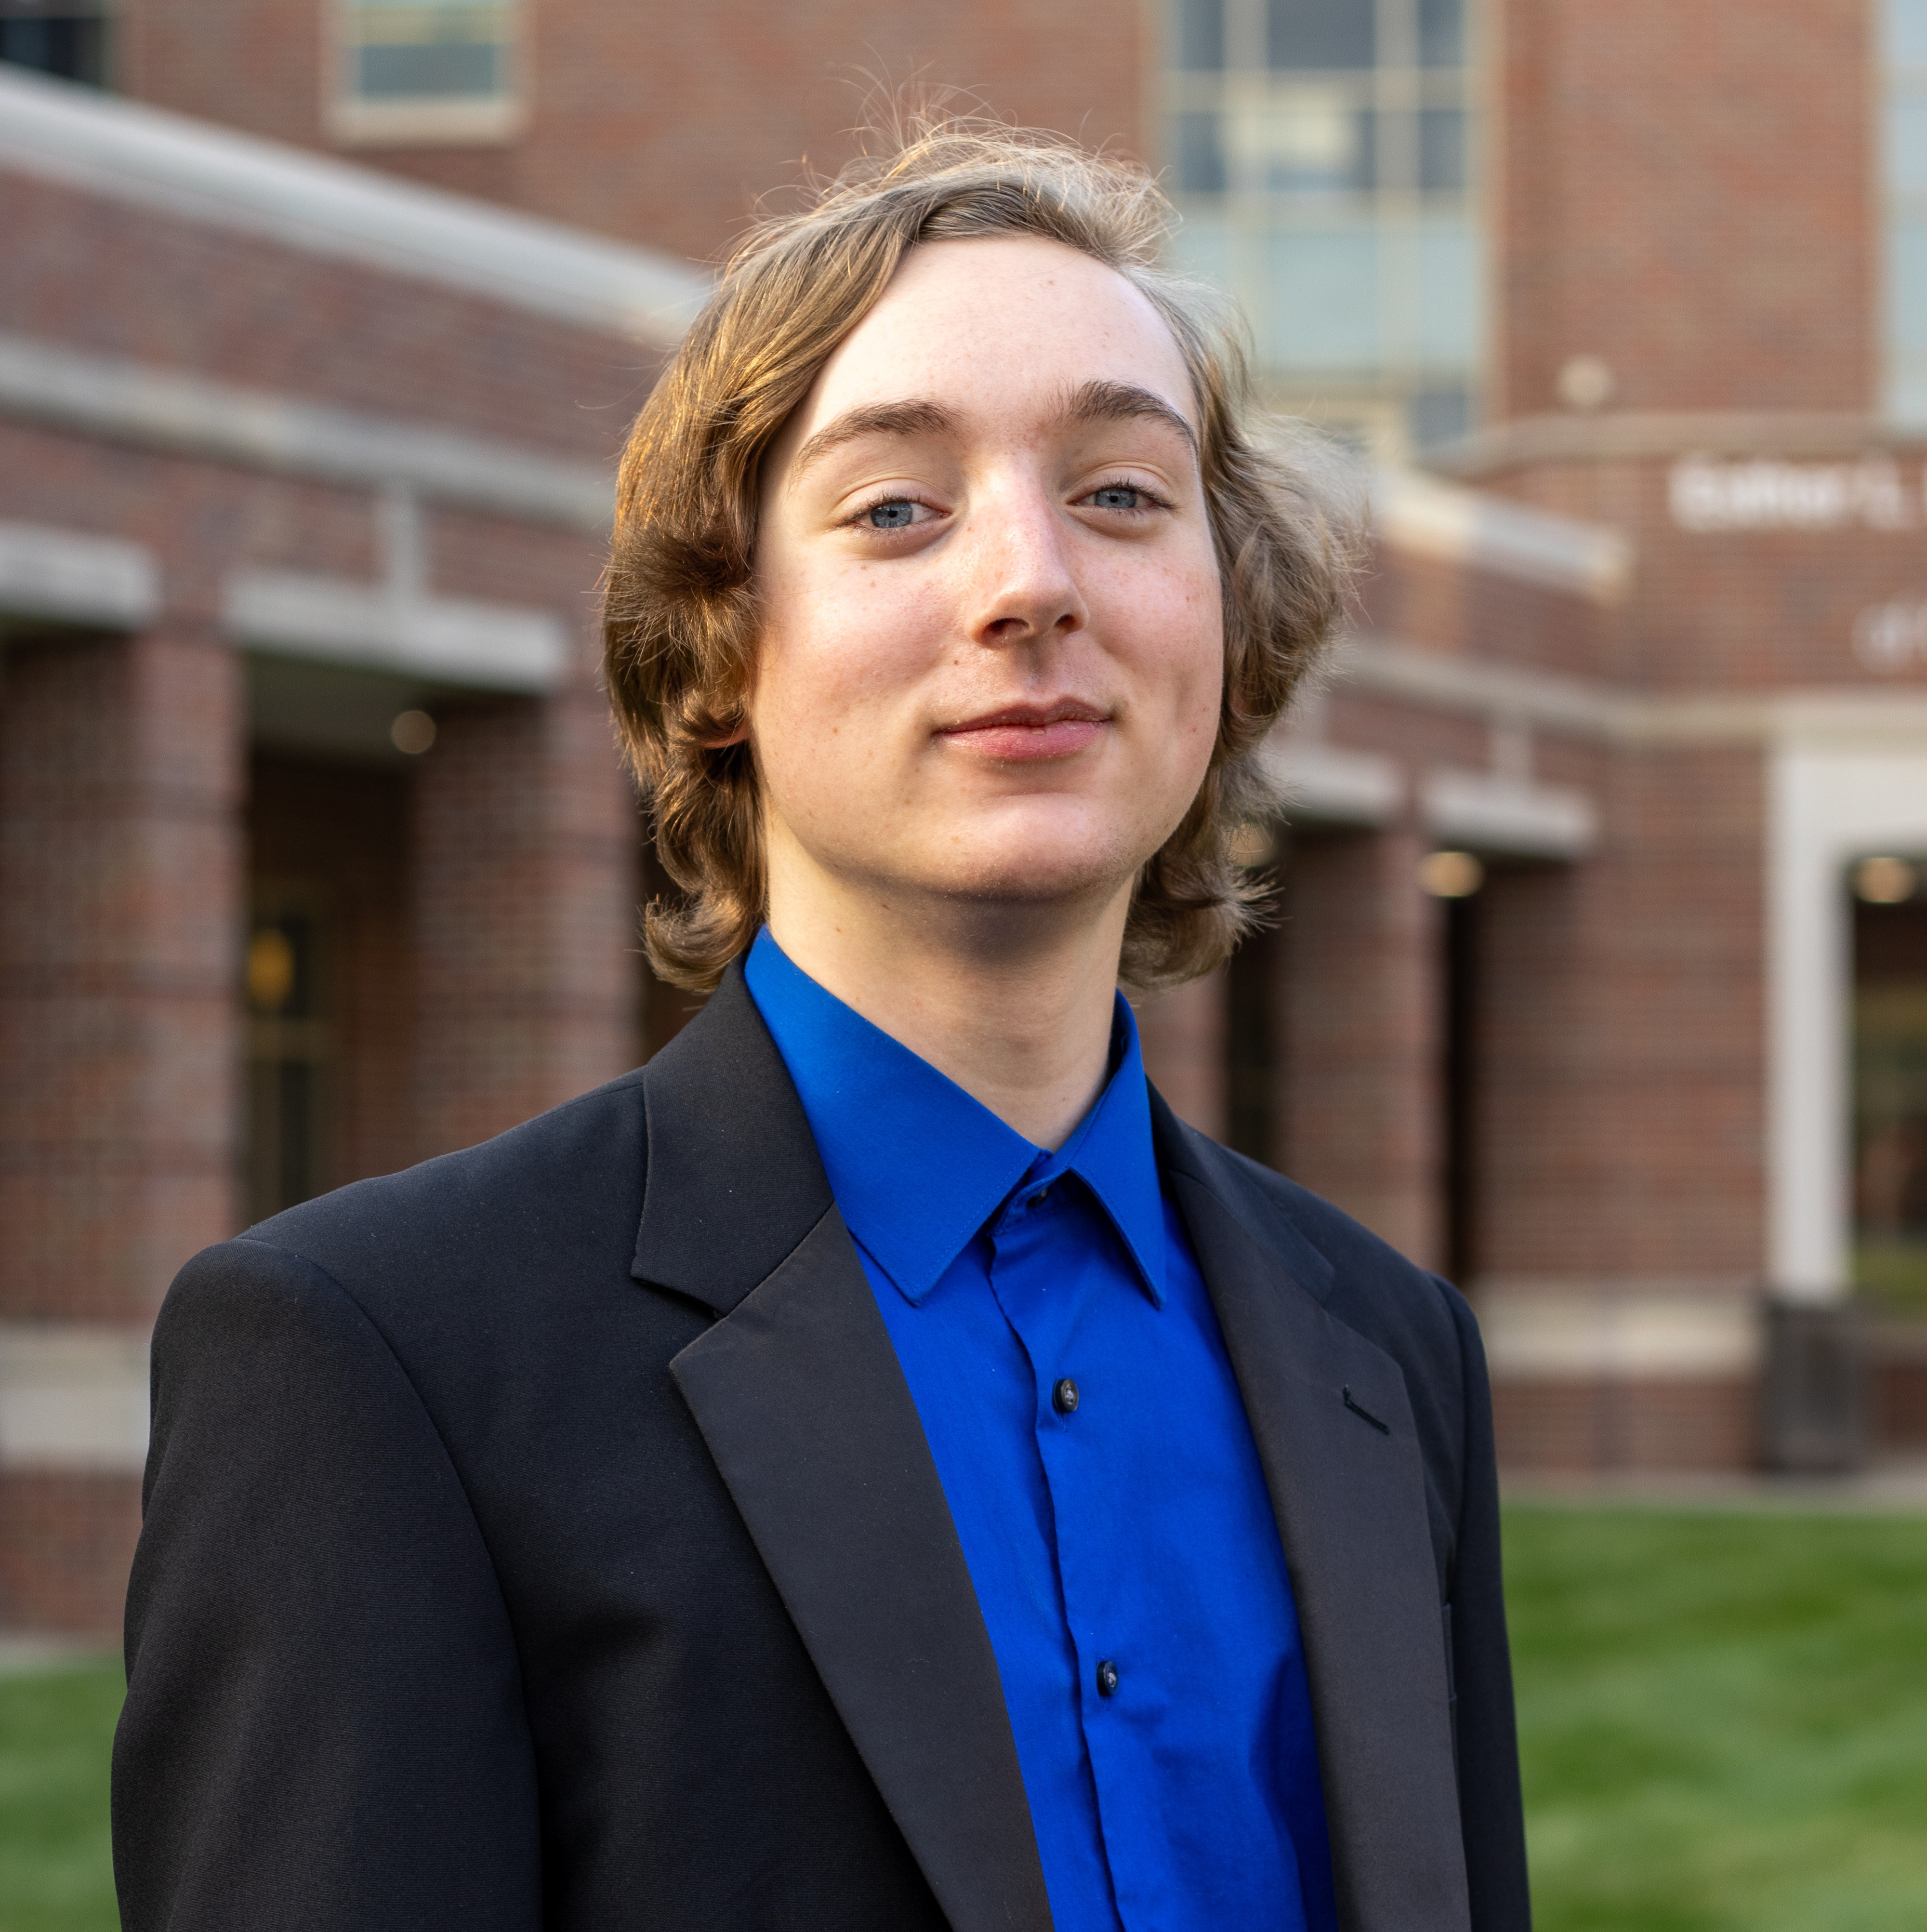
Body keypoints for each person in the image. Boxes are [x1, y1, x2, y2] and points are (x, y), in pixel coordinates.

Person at [112, 120, 1530, 1932]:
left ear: (1228, 626)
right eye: (895, 508)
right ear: (716, 651)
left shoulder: (1397, 1356)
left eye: (1120, 491)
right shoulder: (379, 1362)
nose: (1032, 582)